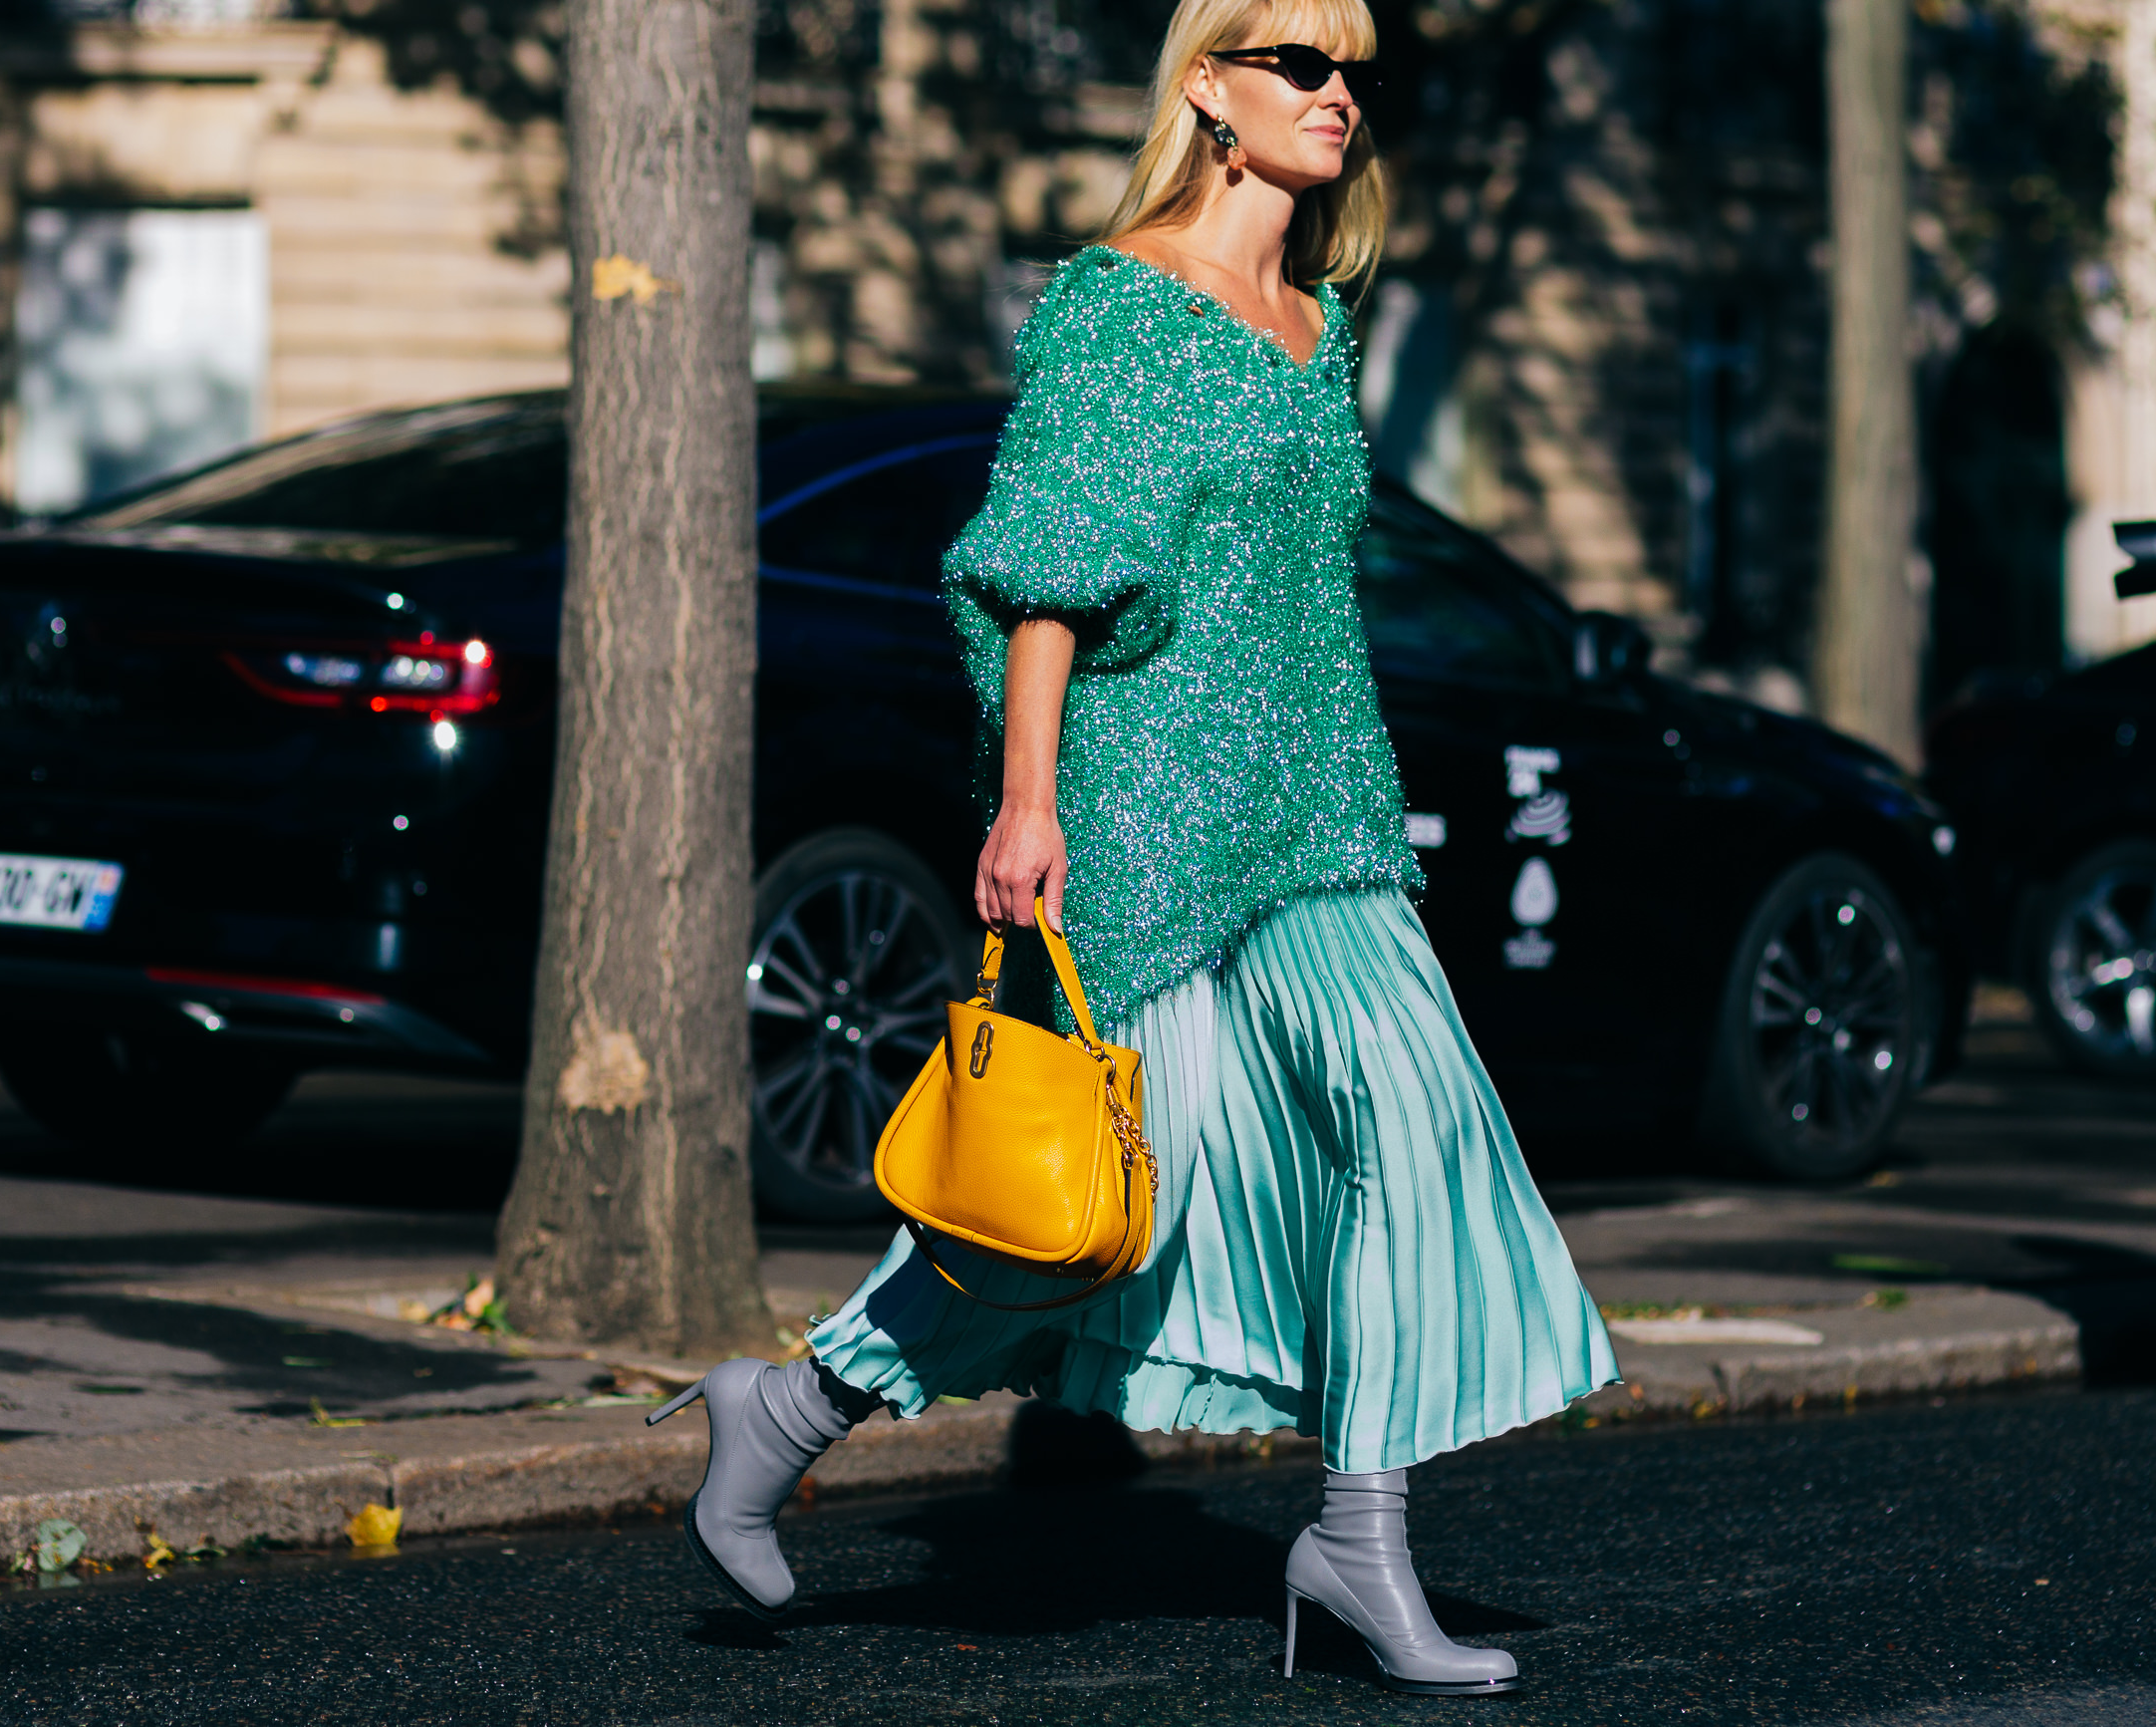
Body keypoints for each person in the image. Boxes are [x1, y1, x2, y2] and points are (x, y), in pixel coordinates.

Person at [650, 0, 1618, 1695]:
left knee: (1412, 1118)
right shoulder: (1122, 308)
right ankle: (789, 1403)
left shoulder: (1319, 318)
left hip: (1316, 806)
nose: (1340, 96)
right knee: (1084, 1208)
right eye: (1303, 64)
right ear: (1211, 90)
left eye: (1356, 71)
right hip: (1147, 809)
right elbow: (1042, 568)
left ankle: (1359, 1536)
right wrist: (1031, 798)